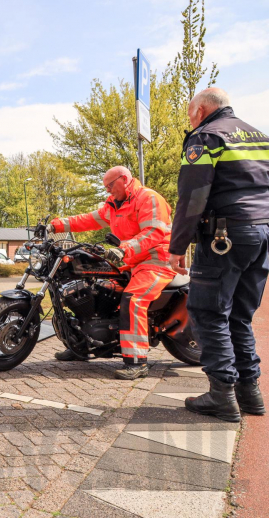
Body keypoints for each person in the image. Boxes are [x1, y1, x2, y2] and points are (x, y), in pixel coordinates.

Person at [168, 88, 268, 422]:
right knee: (239, 315)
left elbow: (192, 197)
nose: (190, 120)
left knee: (208, 313)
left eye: (189, 114)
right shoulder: (259, 136)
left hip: (224, 237)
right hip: (262, 234)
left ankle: (221, 396)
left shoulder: (205, 137)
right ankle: (250, 394)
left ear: (201, 109)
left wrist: (177, 247)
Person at [49, 167, 175, 380]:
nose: (107, 190)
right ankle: (82, 345)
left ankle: (137, 362)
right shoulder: (113, 206)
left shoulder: (148, 198)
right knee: (96, 289)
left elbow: (154, 233)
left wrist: (123, 249)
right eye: (105, 187)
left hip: (155, 260)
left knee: (133, 299)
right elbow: (86, 220)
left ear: (124, 180)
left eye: (110, 185)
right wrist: (55, 225)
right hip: (130, 262)